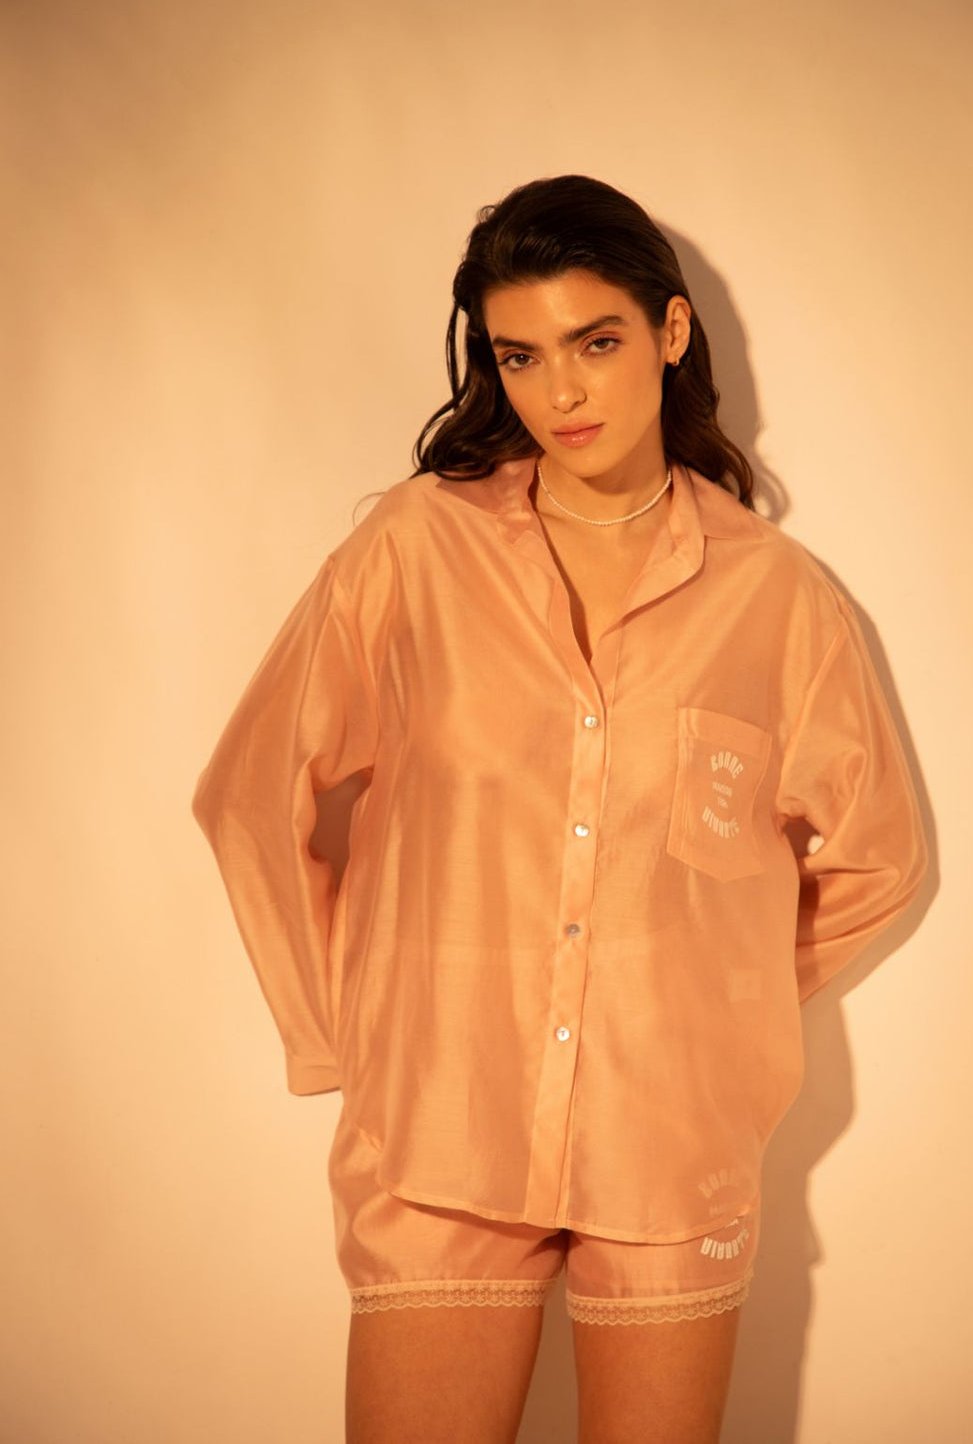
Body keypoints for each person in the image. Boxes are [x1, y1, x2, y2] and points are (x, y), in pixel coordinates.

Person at [191, 174, 928, 1444]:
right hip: (437, 1132)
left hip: (668, 1145)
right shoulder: (417, 550)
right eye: (519, 356)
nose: (560, 393)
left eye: (595, 342)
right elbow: (253, 792)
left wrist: (716, 1004)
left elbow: (877, 857)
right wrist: (340, 1033)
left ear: (670, 331)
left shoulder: (776, 598)